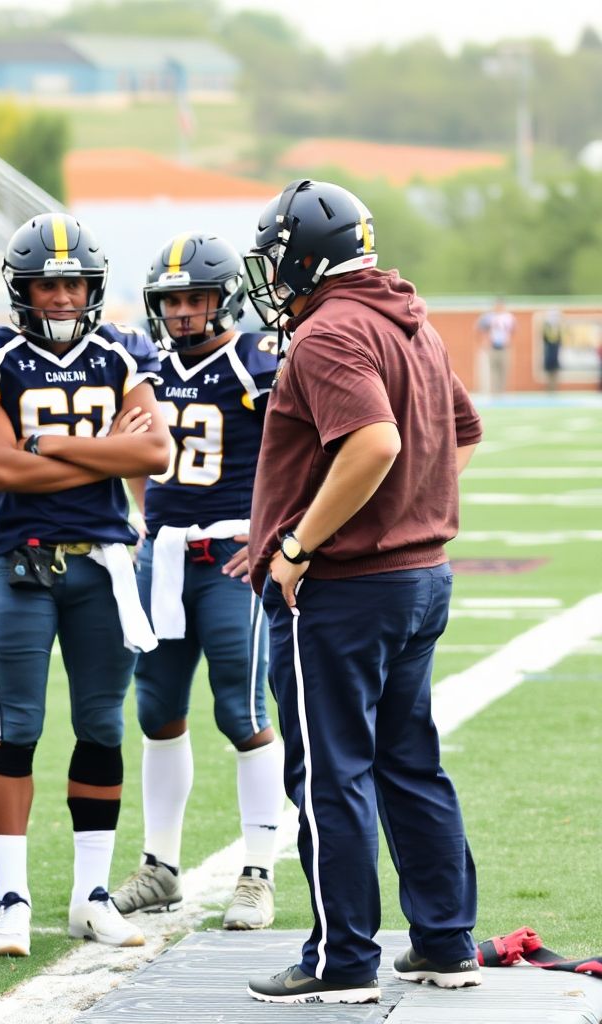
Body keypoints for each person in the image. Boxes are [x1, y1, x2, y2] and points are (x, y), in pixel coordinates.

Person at [243, 179, 483, 1004]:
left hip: (346, 589)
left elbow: (375, 440)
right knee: (410, 761)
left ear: (309, 257)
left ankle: (341, 959)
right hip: (420, 576)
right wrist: (413, 514)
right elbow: (462, 431)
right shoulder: (407, 320)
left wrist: (303, 543)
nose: (273, 280)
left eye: (279, 262)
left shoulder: (328, 332)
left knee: (330, 773)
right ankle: (445, 941)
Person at [0, 212, 170, 958]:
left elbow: (157, 454)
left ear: (94, 286)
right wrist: (108, 451)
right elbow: (1, 468)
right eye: (49, 283)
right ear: (23, 289)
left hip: (104, 565)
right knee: (18, 728)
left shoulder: (124, 350)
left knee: (101, 727)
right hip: (21, 562)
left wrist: (52, 443)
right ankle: (13, 900)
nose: (63, 297)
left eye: (74, 283)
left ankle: (92, 895)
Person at [111, 233, 284, 930]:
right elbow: (132, 450)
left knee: (243, 716)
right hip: (165, 557)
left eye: (195, 299)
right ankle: (160, 866)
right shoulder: (147, 367)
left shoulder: (254, 363)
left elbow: (299, 452)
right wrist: (145, 515)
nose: (182, 312)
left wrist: (271, 532)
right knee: (156, 711)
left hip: (231, 557)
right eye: (172, 300)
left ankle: (258, 871)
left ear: (224, 300)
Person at [476, 297, 515, 395]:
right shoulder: (489, 317)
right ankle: (495, 392)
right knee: (493, 370)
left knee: (504, 370)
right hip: (492, 347)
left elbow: (513, 331)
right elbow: (480, 328)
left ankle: (502, 392)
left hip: (504, 347)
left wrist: (509, 341)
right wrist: (485, 340)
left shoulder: (509, 317)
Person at [541, 309, 562, 393]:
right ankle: (549, 388)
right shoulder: (547, 326)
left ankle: (554, 388)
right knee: (549, 372)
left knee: (555, 371)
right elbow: (546, 338)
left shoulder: (558, 326)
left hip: (555, 352)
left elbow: (559, 338)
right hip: (549, 352)